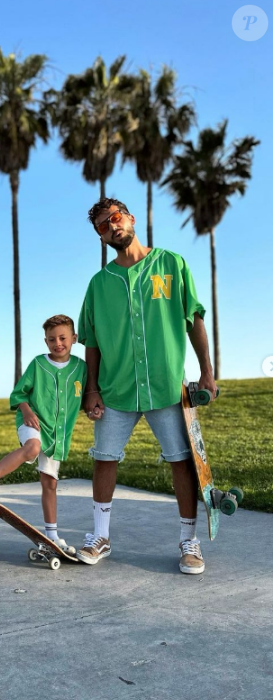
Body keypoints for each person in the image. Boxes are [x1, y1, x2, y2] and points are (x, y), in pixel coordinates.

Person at [77, 198, 218, 575]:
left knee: (181, 461)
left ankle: (190, 541)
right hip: (116, 388)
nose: (112, 227)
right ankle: (100, 536)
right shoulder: (99, 284)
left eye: (116, 218)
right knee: (104, 457)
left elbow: (194, 320)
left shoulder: (172, 264)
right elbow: (91, 341)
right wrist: (91, 389)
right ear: (102, 238)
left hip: (165, 387)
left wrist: (207, 371)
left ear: (131, 218)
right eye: (103, 227)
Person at [0, 315, 87, 554]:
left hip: (57, 435)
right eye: (52, 339)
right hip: (32, 420)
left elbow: (84, 398)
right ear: (45, 342)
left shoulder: (81, 368)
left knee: (50, 484)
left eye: (63, 338)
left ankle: (52, 535)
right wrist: (25, 411)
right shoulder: (38, 364)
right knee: (32, 448)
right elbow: (19, 394)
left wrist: (94, 407)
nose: (58, 343)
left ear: (74, 338)